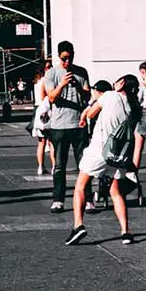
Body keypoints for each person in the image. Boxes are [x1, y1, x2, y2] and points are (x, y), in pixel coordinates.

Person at [65, 73, 139, 245]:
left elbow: (91, 114)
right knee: (116, 192)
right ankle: (125, 232)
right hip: (118, 154)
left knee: (80, 186)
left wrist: (89, 108)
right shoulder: (133, 106)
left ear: (121, 83)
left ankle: (78, 225)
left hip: (99, 150)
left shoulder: (109, 95)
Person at [42, 41, 90, 213]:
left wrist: (77, 85)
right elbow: (51, 98)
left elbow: (87, 97)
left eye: (70, 58)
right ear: (58, 57)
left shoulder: (81, 72)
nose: (67, 62)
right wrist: (62, 84)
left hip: (78, 124)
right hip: (59, 125)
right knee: (59, 165)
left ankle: (88, 199)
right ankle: (58, 199)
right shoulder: (51, 74)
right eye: (64, 58)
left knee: (84, 165)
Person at [30, 65, 54, 176]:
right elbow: (44, 96)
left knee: (41, 142)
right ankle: (54, 166)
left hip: (38, 110)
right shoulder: (46, 80)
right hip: (47, 110)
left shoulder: (37, 81)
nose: (51, 68)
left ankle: (40, 166)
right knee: (51, 142)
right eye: (48, 67)